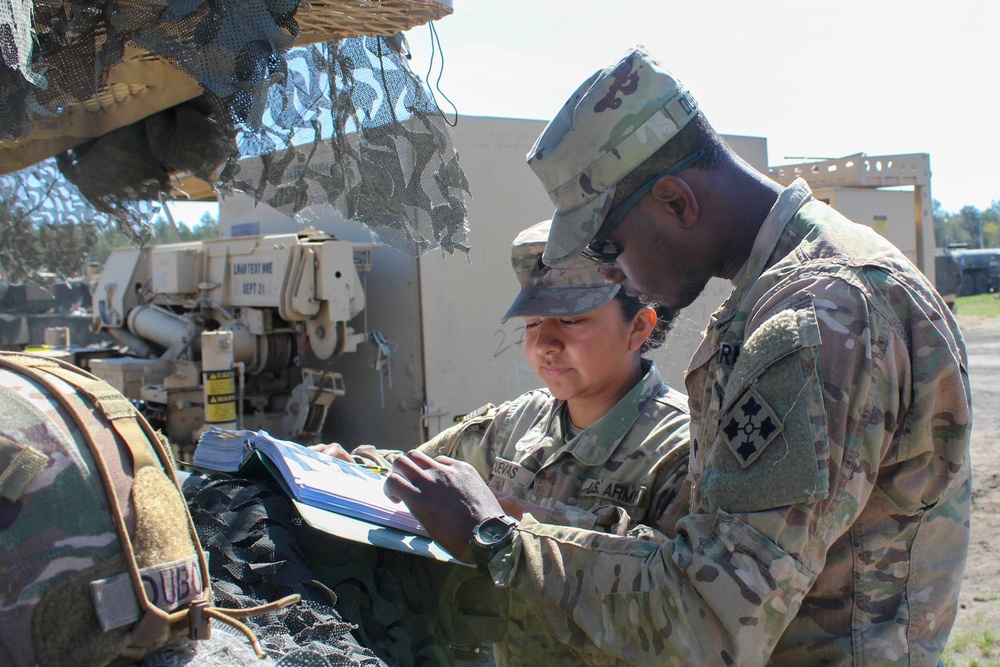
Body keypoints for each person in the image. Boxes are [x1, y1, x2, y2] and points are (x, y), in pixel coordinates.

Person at [385, 48, 973, 666]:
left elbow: (708, 619)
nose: (613, 270)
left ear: (676, 201)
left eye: (610, 243)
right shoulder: (806, 289)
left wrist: (498, 541)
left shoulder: (817, 316)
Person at [318, 218, 690, 664]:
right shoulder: (516, 423)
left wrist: (507, 520)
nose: (546, 343)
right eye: (533, 323)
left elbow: (681, 602)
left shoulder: (684, 451)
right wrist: (341, 469)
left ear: (639, 328)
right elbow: (418, 475)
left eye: (571, 320)